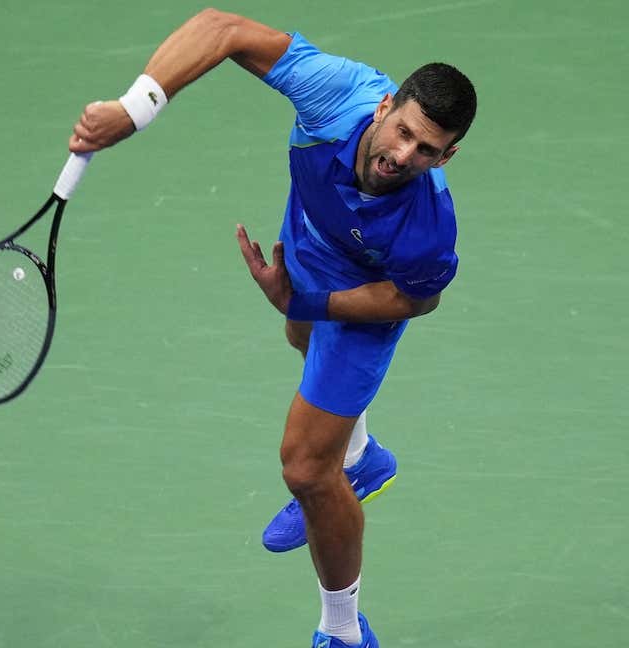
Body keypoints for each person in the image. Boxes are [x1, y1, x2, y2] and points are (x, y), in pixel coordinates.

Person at [68, 9, 477, 648]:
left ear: (448, 154)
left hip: (366, 289)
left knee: (306, 469)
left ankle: (343, 630)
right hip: (313, 235)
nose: (403, 155)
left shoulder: (428, 230)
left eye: (427, 150)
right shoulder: (336, 93)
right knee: (299, 339)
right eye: (402, 131)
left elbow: (412, 301)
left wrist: (310, 301)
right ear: (383, 107)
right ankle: (363, 458)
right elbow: (222, 28)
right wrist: (135, 108)